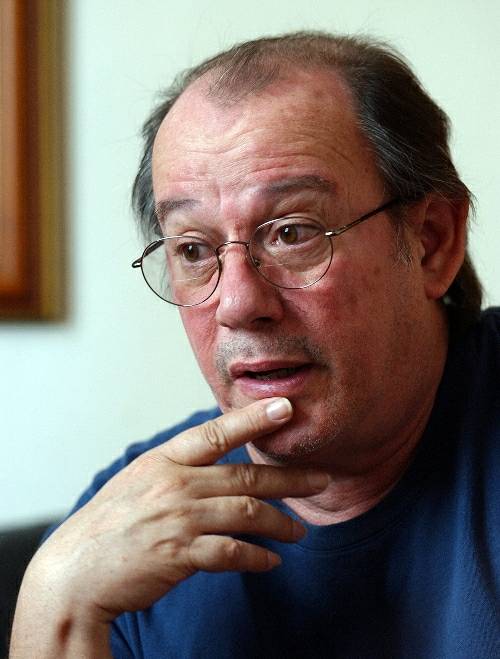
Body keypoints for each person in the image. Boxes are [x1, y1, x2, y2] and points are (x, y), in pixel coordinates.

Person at [11, 31, 500, 658]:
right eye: (193, 249)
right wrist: (56, 604)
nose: (238, 304)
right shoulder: (122, 526)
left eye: (292, 233)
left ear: (431, 242)